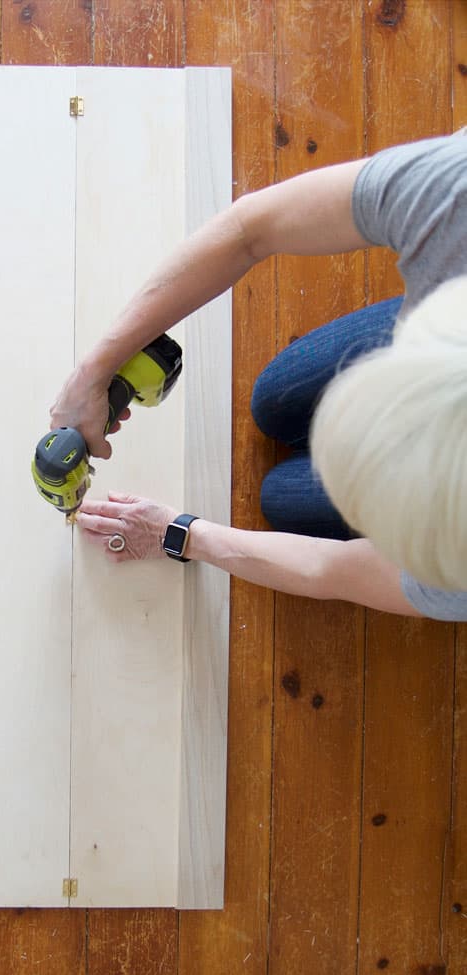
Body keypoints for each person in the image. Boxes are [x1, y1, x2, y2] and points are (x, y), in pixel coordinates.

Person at [49, 131, 467, 620]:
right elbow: (251, 229)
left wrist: (178, 531)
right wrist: (93, 372)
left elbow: (332, 570)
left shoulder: (456, 568)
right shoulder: (451, 197)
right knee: (273, 399)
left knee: (281, 500)